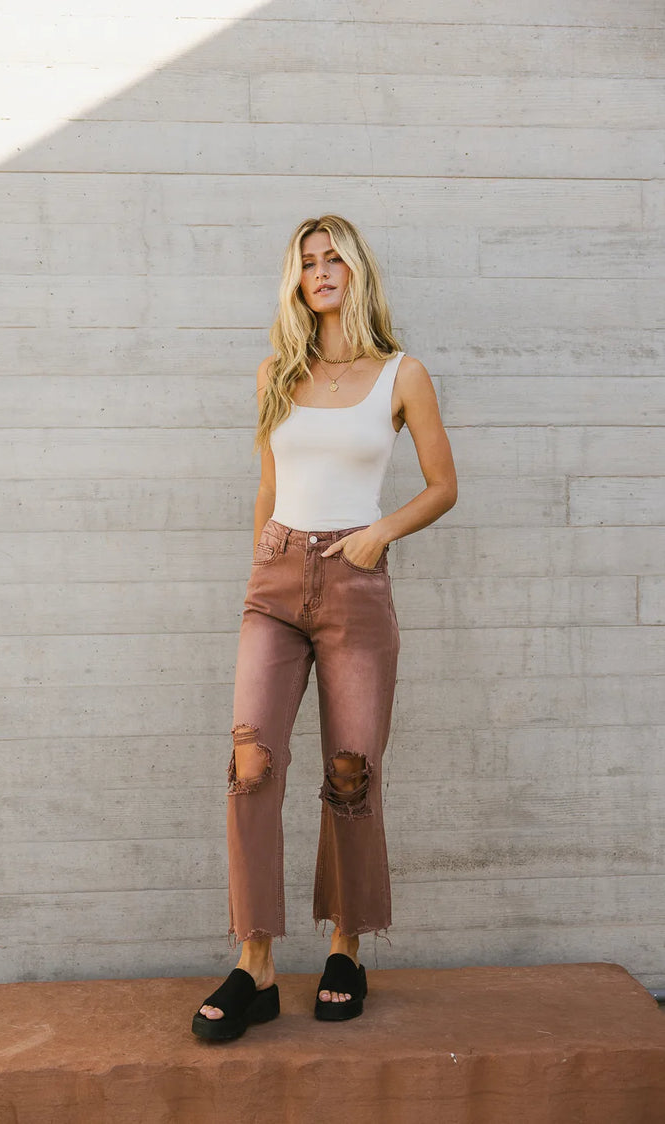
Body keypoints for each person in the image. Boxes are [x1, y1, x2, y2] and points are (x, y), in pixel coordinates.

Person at [191, 214, 457, 1041]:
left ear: (356, 268)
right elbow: (268, 487)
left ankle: (346, 950)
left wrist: (380, 532)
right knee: (250, 758)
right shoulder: (278, 370)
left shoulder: (401, 374)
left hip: (356, 583)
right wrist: (260, 563)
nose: (320, 269)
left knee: (352, 770)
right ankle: (255, 965)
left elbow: (443, 485)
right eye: (306, 261)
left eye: (331, 255)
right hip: (275, 583)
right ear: (296, 280)